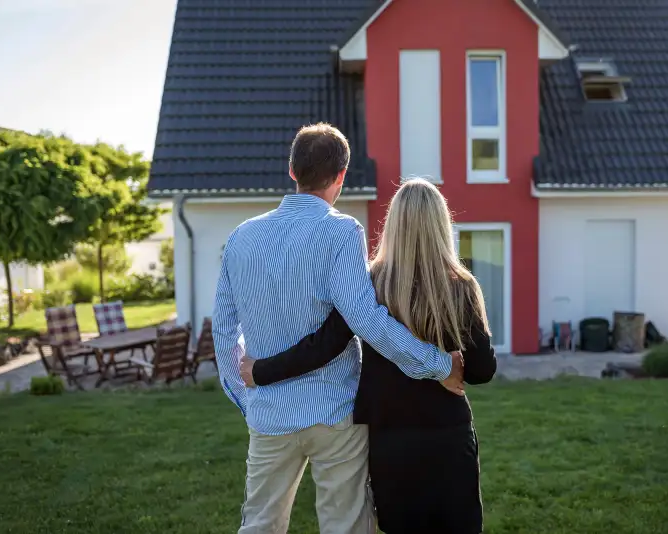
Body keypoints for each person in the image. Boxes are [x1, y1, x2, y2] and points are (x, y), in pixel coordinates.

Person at [212, 123, 465, 534]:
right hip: (335, 415)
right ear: (342, 176)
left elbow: (223, 329)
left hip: (269, 415)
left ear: (292, 170)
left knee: (259, 526)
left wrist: (246, 398)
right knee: (344, 526)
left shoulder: (242, 237)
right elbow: (365, 319)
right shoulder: (342, 231)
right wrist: (438, 364)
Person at [240, 178, 497, 534]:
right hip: (447, 435)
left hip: (390, 439)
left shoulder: (369, 283)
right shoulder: (461, 286)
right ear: (441, 224)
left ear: (393, 224)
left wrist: (261, 370)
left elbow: (324, 344)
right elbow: (482, 370)